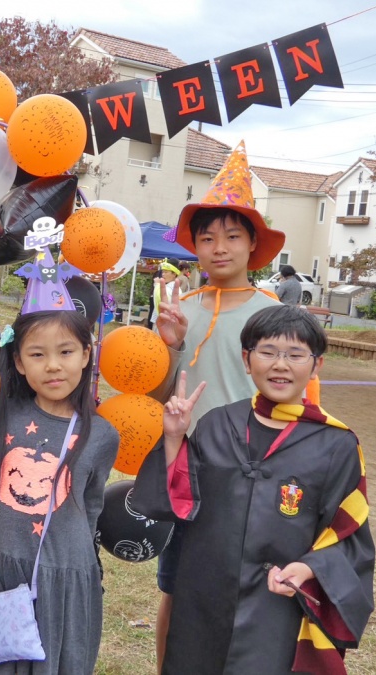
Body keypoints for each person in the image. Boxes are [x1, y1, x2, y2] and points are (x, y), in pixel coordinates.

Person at [133, 305, 374, 674]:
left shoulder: (336, 445)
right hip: (204, 594)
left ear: (317, 365)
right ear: (247, 360)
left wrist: (309, 568)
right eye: (268, 352)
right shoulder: (218, 424)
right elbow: (175, 498)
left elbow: (348, 533)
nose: (280, 365)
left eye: (295, 355)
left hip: (278, 605)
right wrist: (173, 438)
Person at [149, 141, 285, 672]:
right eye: (207, 238)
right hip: (188, 469)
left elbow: (295, 401)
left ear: (253, 244)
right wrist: (171, 345)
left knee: (245, 593)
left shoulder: (273, 314)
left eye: (232, 236)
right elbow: (158, 396)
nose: (218, 247)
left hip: (254, 473)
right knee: (176, 587)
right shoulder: (176, 309)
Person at [0, 249, 119, 673]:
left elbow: (91, 507)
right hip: (3, 571)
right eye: (38, 354)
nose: (53, 366)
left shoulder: (101, 435)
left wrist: (85, 569)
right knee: (0, 663)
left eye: (66, 351)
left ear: (86, 354)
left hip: (65, 576)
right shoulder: (3, 413)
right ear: (20, 363)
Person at [150, 259, 180, 326]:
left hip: (166, 322)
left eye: (166, 272)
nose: (163, 274)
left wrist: (157, 285)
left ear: (174, 274)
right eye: (163, 272)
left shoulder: (173, 287)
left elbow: (160, 299)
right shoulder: (168, 285)